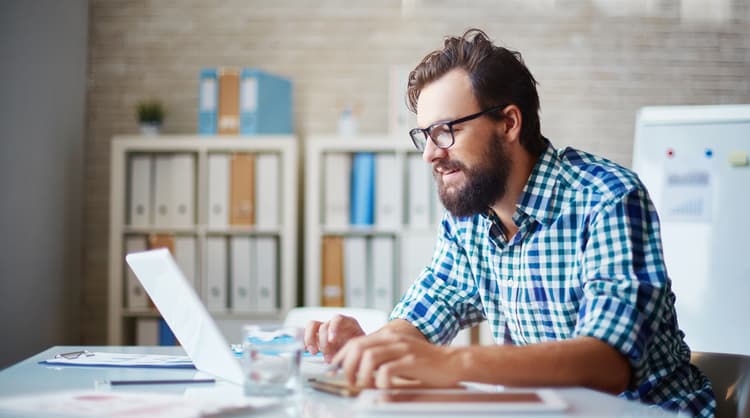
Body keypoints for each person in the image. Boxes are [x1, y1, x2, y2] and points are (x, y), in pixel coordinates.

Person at [304, 28, 715, 417]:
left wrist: (451, 363)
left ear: (509, 123)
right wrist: (372, 350)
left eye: (446, 131)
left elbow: (608, 363)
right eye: (424, 135)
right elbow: (426, 316)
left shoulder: (608, 197)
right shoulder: (471, 216)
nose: (430, 153)